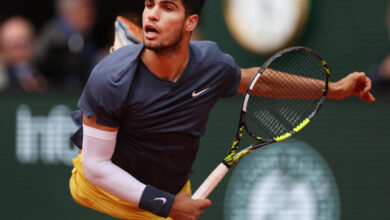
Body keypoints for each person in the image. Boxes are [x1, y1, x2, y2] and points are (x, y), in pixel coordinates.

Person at [68, 0, 375, 219]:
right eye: (149, 5)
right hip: (103, 190)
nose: (152, 14)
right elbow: (97, 166)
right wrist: (165, 204)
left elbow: (258, 82)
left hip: (171, 189)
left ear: (191, 22)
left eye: (167, 7)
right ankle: (128, 51)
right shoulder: (110, 79)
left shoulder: (212, 66)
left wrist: (333, 89)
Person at [34, 0, 99, 91]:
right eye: (87, 8)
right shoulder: (52, 38)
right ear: (68, 11)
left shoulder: (86, 38)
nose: (92, 14)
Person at [0, 16, 47, 92]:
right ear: (2, 49)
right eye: (15, 47)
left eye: (25, 45)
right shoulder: (3, 80)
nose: (21, 52)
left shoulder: (49, 74)